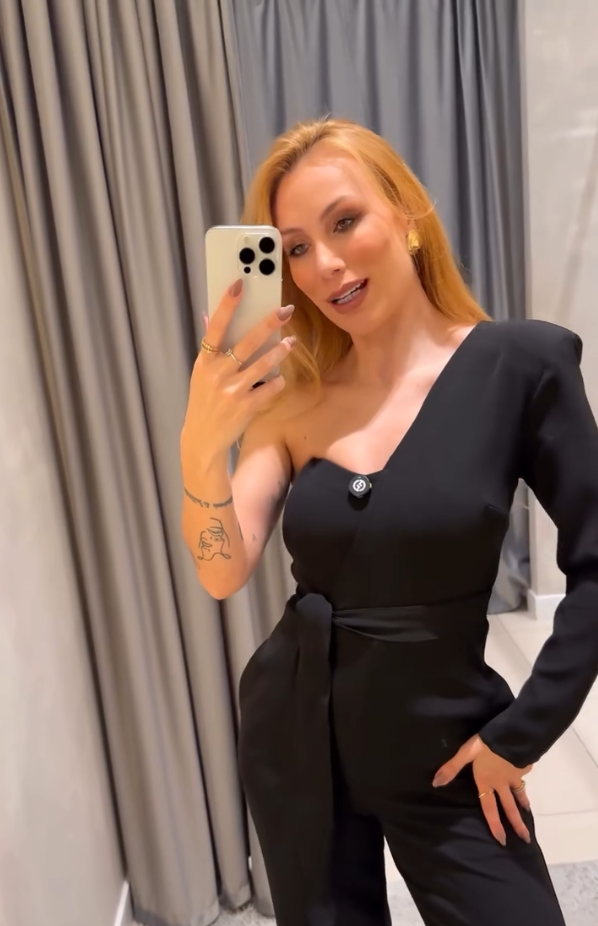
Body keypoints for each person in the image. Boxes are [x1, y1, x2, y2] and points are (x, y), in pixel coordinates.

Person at [180, 117, 598, 926]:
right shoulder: (292, 402)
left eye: (344, 222)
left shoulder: (519, 365)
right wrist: (200, 448)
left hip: (445, 749)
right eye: (295, 248)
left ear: (405, 213)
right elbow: (222, 570)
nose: (324, 265)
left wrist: (522, 731)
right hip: (296, 737)